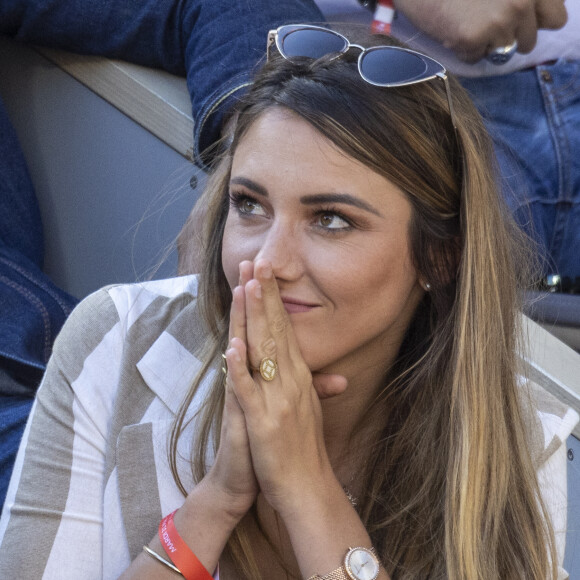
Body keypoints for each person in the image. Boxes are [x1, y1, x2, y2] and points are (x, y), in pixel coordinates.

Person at [1, 23, 577, 579]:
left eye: (330, 220)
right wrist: (216, 504)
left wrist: (308, 493)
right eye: (250, 205)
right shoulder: (115, 342)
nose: (267, 262)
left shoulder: (518, 439)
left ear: (440, 257)